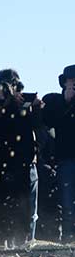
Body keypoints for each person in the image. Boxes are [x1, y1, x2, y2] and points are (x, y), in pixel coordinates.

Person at [0, 80, 40, 247]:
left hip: (17, 172)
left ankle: (16, 247)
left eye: (0, 96)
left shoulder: (19, 113)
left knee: (17, 212)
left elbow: (30, 137)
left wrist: (35, 107)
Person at [40, 64, 75, 241]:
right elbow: (48, 122)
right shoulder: (54, 101)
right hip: (66, 159)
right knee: (67, 204)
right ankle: (68, 239)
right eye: (71, 81)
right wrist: (66, 101)